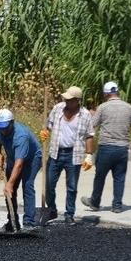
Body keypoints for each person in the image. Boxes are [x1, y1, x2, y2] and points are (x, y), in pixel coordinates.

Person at [81, 81, 131, 214]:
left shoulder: (103, 107)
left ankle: (95, 203)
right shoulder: (129, 107)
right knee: (119, 177)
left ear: (106, 94)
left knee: (100, 176)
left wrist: (91, 115)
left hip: (106, 147)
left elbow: (93, 125)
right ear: (117, 92)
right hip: (122, 149)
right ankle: (117, 206)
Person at [39, 86, 95, 225]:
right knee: (49, 184)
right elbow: (49, 124)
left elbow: (89, 136)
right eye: (65, 98)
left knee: (72, 187)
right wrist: (45, 131)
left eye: (69, 99)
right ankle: (51, 210)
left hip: (73, 155)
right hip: (55, 153)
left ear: (77, 101)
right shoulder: (58, 108)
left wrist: (89, 155)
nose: (66, 101)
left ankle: (69, 214)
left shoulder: (85, 115)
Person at [0, 108, 43, 231]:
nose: (2, 130)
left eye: (5, 127)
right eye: (0, 127)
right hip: (13, 157)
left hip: (32, 158)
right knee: (10, 190)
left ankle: (29, 223)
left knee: (27, 185)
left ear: (12, 122)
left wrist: (9, 184)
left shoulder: (21, 136)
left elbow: (19, 164)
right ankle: (12, 222)